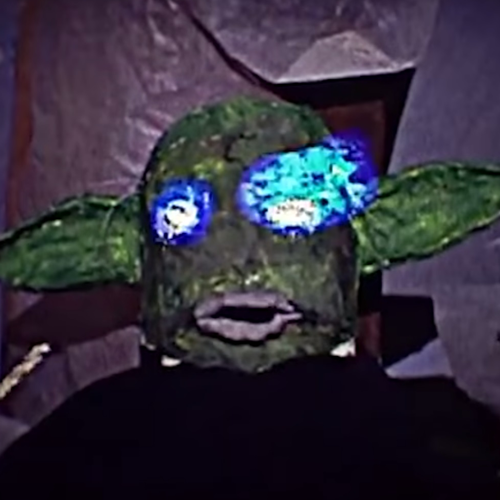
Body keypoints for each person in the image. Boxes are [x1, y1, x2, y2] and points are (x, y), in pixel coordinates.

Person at [0, 97, 499, 497]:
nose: (242, 262)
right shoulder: (422, 434)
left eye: (294, 209)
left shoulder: (87, 435)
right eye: (181, 218)